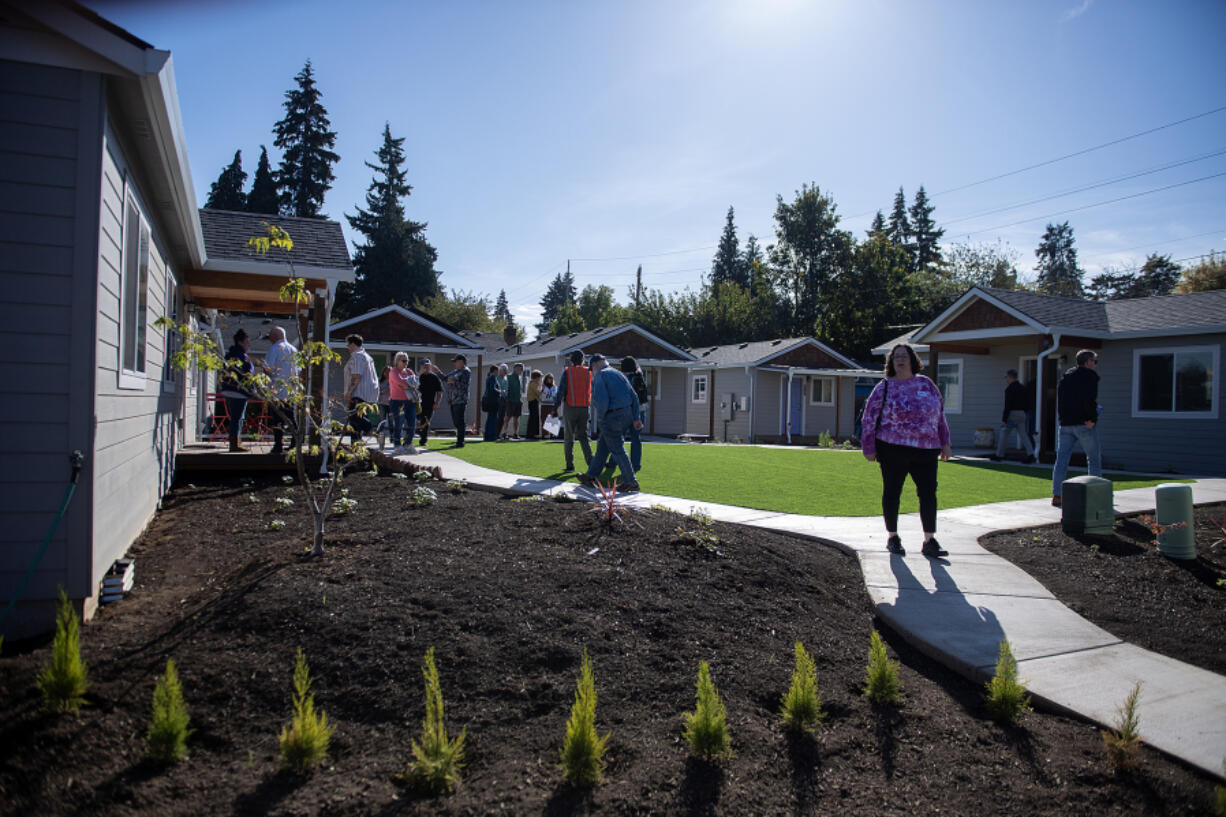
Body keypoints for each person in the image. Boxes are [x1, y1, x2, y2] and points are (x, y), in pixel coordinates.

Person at [860, 343, 952, 558]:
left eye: (904, 356)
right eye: (896, 357)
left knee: (928, 493)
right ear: (891, 362)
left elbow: (940, 414)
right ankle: (893, 537)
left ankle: (930, 540)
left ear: (913, 360)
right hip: (892, 448)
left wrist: (945, 442)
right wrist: (868, 447)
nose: (900, 359)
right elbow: (869, 418)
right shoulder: (883, 387)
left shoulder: (927, 385)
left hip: (927, 449)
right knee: (892, 492)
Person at [577, 354, 642, 492]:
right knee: (603, 446)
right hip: (627, 414)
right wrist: (636, 418)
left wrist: (600, 417)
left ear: (594, 365)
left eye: (592, 368)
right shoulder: (618, 373)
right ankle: (590, 476)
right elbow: (634, 396)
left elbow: (601, 399)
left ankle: (631, 481)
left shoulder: (601, 375)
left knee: (617, 448)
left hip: (612, 415)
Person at [1051, 349, 1102, 507]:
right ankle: (1097, 495)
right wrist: (1092, 419)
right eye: (1095, 361)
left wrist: (1061, 419)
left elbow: (1060, 400)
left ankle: (1057, 495)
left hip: (1065, 424)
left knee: (1061, 460)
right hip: (1083, 424)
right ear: (1087, 362)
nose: (1095, 364)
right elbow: (1089, 399)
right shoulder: (1090, 377)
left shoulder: (1066, 377)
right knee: (1093, 458)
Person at [262, 325, 299, 454]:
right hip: (292, 390)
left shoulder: (274, 349)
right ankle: (295, 444)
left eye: (271, 336)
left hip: (277, 390)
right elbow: (298, 370)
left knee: (277, 419)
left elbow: (268, 369)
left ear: (275, 337)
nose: (270, 339)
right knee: (291, 418)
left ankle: (278, 444)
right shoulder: (294, 349)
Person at [557, 350, 593, 471]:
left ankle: (570, 465)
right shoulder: (589, 372)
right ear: (583, 359)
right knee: (583, 437)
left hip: (570, 406)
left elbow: (561, 391)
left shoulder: (568, 372)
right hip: (584, 408)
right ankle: (591, 464)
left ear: (571, 360)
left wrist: (555, 407)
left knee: (569, 437)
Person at [990, 368, 1036, 463]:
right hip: (1022, 414)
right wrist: (1025, 412)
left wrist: (1004, 419)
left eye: (1007, 377)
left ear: (1010, 377)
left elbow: (1008, 405)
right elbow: (1028, 402)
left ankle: (999, 455)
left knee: (1004, 433)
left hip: (1012, 415)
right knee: (1024, 435)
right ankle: (1031, 454)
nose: (1006, 379)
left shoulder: (1009, 389)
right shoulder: (1023, 388)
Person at [220, 328, 254, 452]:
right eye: (247, 342)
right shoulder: (243, 357)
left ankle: (236, 442)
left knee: (236, 417)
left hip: (227, 389)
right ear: (240, 342)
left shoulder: (229, 355)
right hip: (238, 391)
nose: (249, 344)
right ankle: (234, 444)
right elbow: (248, 375)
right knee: (237, 418)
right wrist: (253, 390)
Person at [342, 333, 379, 446]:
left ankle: (374, 432)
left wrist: (349, 392)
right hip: (366, 392)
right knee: (358, 417)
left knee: (354, 416)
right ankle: (356, 441)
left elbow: (357, 375)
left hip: (359, 392)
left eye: (348, 344)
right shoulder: (366, 356)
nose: (348, 347)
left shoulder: (358, 356)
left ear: (353, 344)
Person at [621, 356, 649, 473]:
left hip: (626, 411)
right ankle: (636, 465)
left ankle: (613, 462)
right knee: (636, 439)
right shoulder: (639, 375)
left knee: (619, 438)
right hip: (640, 410)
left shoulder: (623, 377)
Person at [388, 352, 420, 453]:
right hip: (397, 402)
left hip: (410, 401)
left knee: (412, 423)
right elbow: (402, 382)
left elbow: (415, 383)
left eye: (407, 360)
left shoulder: (409, 372)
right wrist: (408, 384)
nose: (406, 363)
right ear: (397, 361)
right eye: (404, 360)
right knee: (399, 423)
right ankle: (397, 445)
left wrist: (408, 385)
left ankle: (408, 444)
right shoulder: (393, 372)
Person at [436, 355, 470, 447]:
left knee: (460, 422)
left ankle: (460, 442)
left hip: (460, 400)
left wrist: (454, 382)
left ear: (461, 361)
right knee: (456, 422)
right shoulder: (455, 372)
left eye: (456, 361)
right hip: (452, 400)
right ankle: (459, 441)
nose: (454, 363)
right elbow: (445, 379)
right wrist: (438, 372)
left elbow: (464, 385)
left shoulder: (465, 371)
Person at [416, 358, 444, 447]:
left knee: (425, 422)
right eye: (424, 366)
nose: (426, 367)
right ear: (421, 366)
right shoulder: (417, 377)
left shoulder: (434, 378)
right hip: (417, 403)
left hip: (429, 403)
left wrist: (437, 403)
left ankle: (423, 440)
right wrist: (419, 374)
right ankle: (408, 439)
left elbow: (439, 392)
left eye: (428, 365)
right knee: (415, 420)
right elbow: (410, 385)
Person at [502, 362, 525, 439]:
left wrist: (520, 399)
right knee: (507, 417)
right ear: (515, 369)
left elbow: (519, 390)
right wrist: (507, 399)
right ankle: (504, 433)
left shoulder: (519, 378)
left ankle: (515, 434)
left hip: (517, 401)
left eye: (522, 369)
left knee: (516, 418)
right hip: (510, 400)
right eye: (520, 369)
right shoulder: (509, 377)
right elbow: (505, 388)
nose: (521, 371)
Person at [483, 364, 504, 442]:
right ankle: (491, 436)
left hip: (488, 400)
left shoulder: (488, 378)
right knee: (493, 418)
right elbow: (493, 388)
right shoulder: (493, 378)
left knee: (490, 418)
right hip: (493, 400)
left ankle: (487, 436)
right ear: (495, 371)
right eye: (497, 371)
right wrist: (500, 392)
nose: (498, 372)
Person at [539, 372, 558, 438]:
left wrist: (548, 393)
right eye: (548, 378)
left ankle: (552, 434)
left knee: (553, 420)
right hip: (544, 404)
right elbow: (540, 395)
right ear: (546, 379)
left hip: (552, 405)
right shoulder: (542, 386)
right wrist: (544, 390)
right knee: (544, 420)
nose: (549, 379)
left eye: (551, 378)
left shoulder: (554, 387)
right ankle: (544, 434)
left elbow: (554, 395)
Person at [525, 369, 543, 439]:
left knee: (534, 417)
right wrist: (542, 387)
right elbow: (538, 392)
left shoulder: (535, 383)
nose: (540, 378)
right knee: (533, 417)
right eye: (539, 377)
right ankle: (530, 434)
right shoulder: (533, 383)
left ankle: (534, 433)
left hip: (534, 401)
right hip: (532, 402)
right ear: (536, 377)